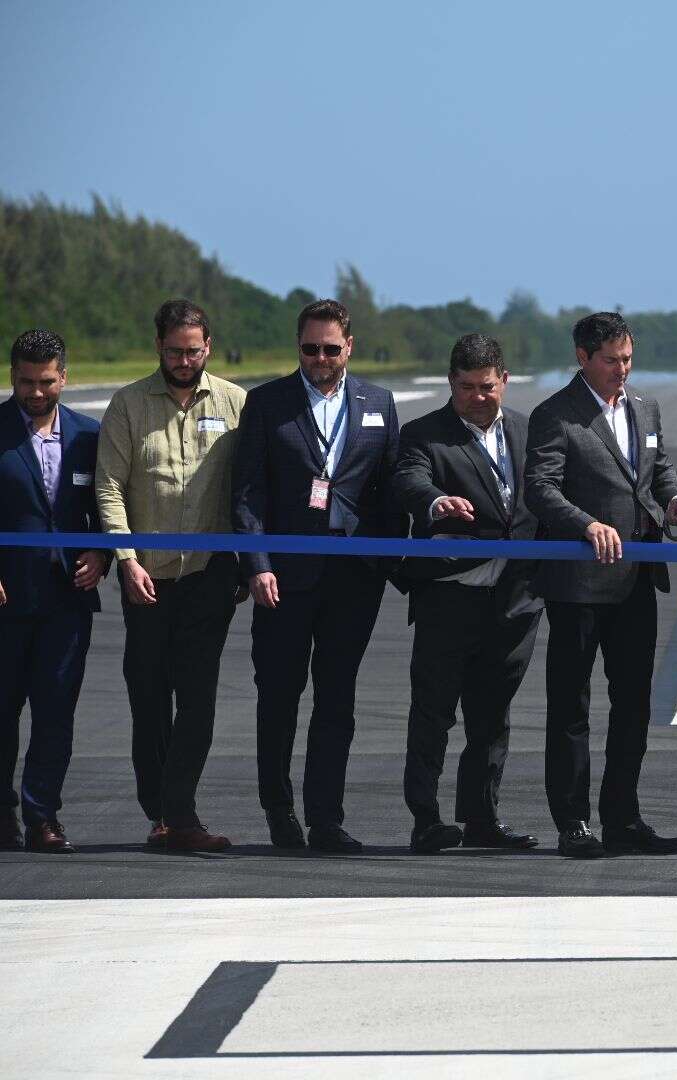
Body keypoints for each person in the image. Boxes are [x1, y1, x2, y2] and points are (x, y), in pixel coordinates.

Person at [232, 298, 406, 853]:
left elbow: (392, 487)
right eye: (311, 348)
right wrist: (256, 565)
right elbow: (247, 493)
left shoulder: (378, 403)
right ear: (298, 347)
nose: (321, 358)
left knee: (337, 700)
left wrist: (390, 561)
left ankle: (326, 818)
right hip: (283, 579)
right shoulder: (266, 404)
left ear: (349, 347)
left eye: (332, 348)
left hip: (353, 580)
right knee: (279, 697)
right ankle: (279, 811)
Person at [523, 312, 677, 858]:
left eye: (628, 359)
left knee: (634, 706)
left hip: (638, 580)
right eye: (611, 360)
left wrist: (674, 501)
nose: (623, 369)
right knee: (571, 709)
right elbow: (541, 489)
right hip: (578, 586)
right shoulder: (556, 415)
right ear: (583, 357)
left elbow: (657, 470)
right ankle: (573, 821)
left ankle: (623, 817)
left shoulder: (646, 408)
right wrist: (585, 524)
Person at [94, 299, 247, 853]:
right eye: (176, 350)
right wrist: (126, 559)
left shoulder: (235, 403)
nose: (186, 359)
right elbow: (109, 487)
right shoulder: (128, 405)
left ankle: (179, 813)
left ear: (209, 346)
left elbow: (248, 489)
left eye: (195, 349)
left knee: (198, 701)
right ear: (158, 346)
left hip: (209, 578)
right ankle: (158, 809)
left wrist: (249, 564)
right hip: (148, 581)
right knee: (149, 697)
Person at [393, 333, 544, 855]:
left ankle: (482, 816)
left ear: (504, 380)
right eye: (465, 388)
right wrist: (436, 503)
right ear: (449, 383)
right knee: (432, 712)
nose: (477, 397)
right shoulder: (422, 434)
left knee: (492, 715)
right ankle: (426, 818)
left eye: (486, 387)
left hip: (516, 599)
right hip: (449, 598)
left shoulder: (530, 430)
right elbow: (409, 480)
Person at [0, 330, 107, 854]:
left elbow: (108, 508)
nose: (36, 393)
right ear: (12, 375)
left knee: (55, 713)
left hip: (67, 601)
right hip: (5, 600)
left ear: (64, 376)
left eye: (46, 382)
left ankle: (44, 816)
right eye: (25, 382)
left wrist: (101, 554)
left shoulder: (91, 435)